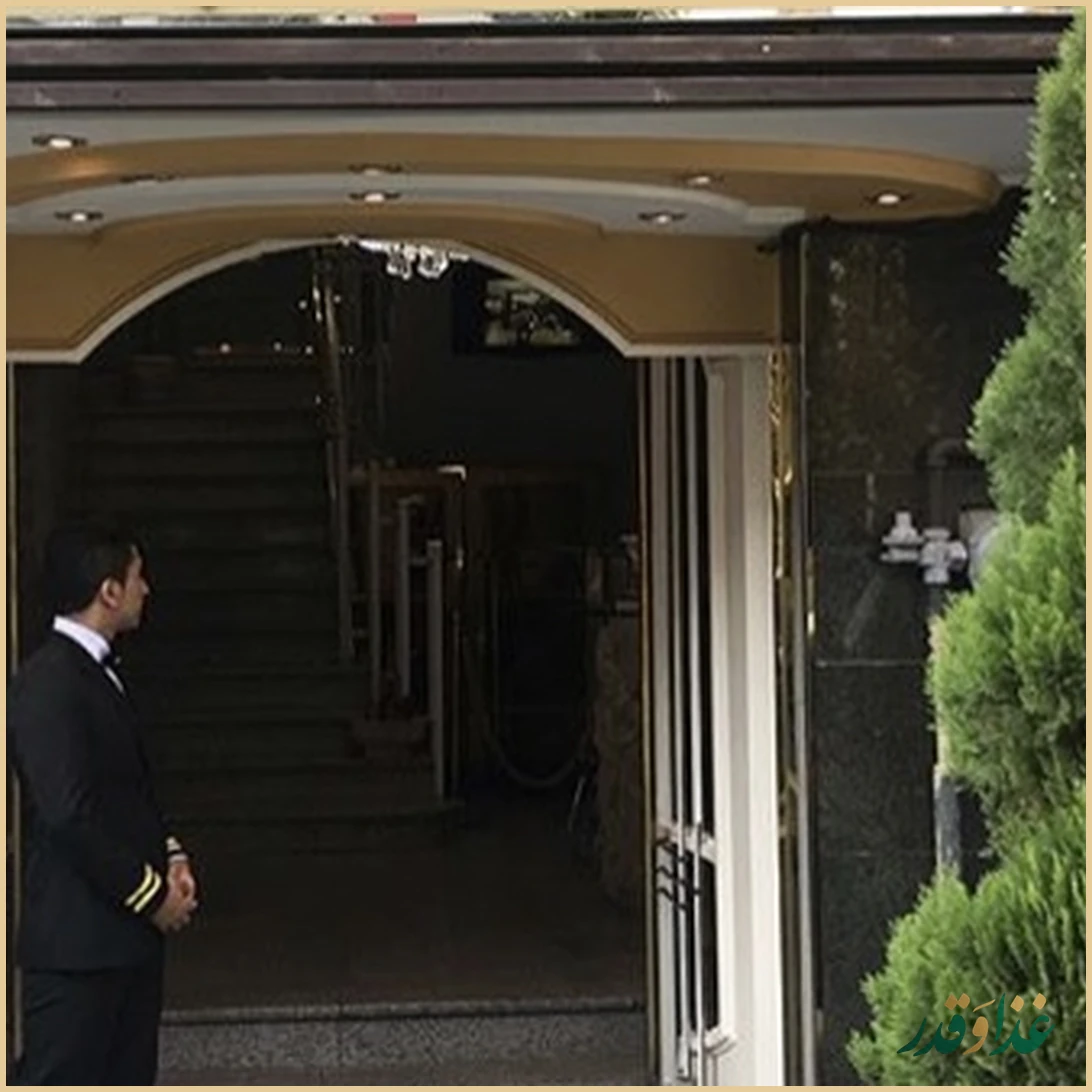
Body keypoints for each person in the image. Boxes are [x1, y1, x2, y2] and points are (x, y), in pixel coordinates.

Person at [8, 522, 198, 1085]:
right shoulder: (49, 683)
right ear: (109, 591)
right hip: (80, 948)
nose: (147, 590)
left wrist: (170, 854)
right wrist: (151, 895)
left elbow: (125, 790)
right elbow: (69, 814)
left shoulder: (97, 674)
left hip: (123, 944)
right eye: (138, 577)